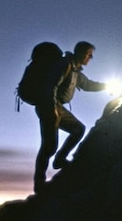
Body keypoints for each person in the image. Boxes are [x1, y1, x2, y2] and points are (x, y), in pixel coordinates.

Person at [33, 41, 107, 193]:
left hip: (58, 107)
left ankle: (60, 160)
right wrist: (52, 109)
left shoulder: (75, 71)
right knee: (49, 147)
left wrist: (106, 86)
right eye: (89, 54)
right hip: (49, 106)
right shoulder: (64, 64)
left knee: (78, 129)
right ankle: (39, 184)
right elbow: (50, 86)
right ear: (81, 53)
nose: (91, 57)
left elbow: (87, 85)